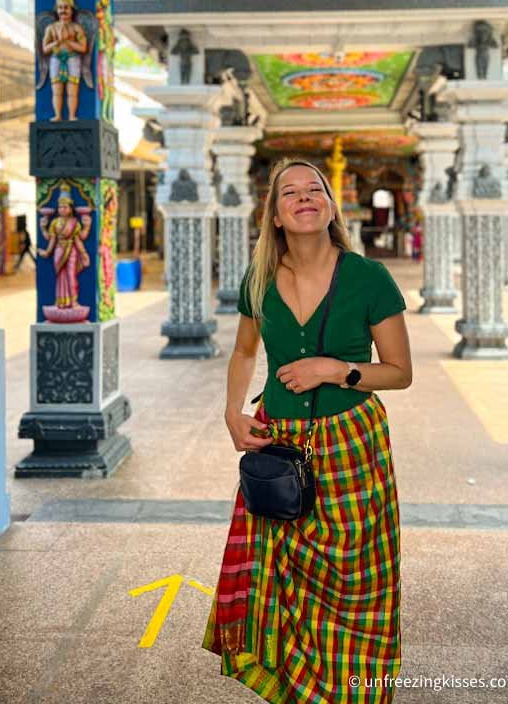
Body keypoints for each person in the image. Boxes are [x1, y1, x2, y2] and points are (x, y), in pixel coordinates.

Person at [202, 158, 412, 702]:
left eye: (313, 189)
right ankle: (301, 690)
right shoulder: (261, 278)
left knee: (358, 578)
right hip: (280, 444)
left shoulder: (368, 277)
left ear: (330, 205)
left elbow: (399, 371)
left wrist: (334, 369)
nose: (303, 197)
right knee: (285, 577)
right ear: (273, 214)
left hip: (351, 442)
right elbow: (245, 349)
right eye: (289, 193)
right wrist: (232, 412)